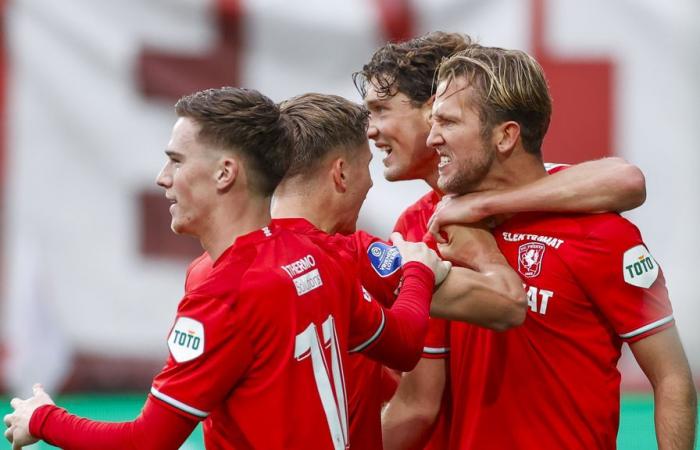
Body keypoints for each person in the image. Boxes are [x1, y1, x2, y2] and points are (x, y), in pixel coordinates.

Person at [2, 87, 448, 450]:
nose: (162, 177)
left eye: (176, 160)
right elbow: (405, 344)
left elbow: (147, 439)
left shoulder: (222, 296)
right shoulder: (321, 258)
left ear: (224, 174)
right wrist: (419, 274)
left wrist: (42, 418)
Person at [352, 31, 651, 449]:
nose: (371, 130)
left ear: (433, 109)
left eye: (382, 110)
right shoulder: (416, 224)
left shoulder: (566, 203)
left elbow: (628, 180)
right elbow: (419, 401)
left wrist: (483, 207)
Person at [184, 92, 527, 449]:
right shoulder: (355, 259)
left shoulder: (208, 270)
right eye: (366, 166)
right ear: (341, 173)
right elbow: (506, 303)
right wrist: (469, 244)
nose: (370, 184)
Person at [423, 45, 697, 449]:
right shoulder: (446, 228)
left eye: (447, 121)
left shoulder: (603, 235)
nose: (432, 138)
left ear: (505, 136)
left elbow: (672, 378)